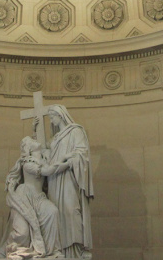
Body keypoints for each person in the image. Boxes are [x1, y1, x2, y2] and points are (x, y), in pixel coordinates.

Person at [35, 105, 93, 258]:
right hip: (54, 179)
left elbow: (82, 155)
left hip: (69, 177)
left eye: (52, 116)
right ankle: (57, 251)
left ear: (60, 115)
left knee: (70, 211)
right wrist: (36, 130)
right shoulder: (54, 138)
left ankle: (74, 253)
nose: (51, 120)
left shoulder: (75, 131)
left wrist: (65, 162)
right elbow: (39, 149)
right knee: (56, 215)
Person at [0, 136, 65, 259]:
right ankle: (12, 246)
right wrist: (66, 163)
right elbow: (47, 171)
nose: (35, 140)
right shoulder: (28, 163)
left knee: (53, 212)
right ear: (29, 149)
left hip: (39, 197)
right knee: (22, 233)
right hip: (24, 197)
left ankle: (51, 251)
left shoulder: (45, 158)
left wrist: (35, 127)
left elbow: (48, 141)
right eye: (32, 141)